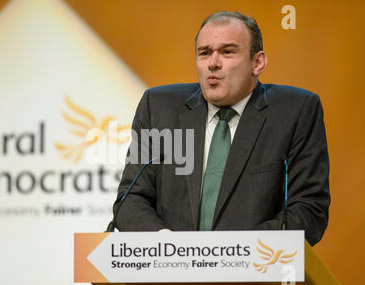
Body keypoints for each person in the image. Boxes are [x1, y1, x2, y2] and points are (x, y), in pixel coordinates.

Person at [112, 11, 330, 246]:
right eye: (204, 53)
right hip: (168, 275)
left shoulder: (294, 112)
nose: (213, 63)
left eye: (227, 52)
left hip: (255, 275)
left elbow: (309, 209)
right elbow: (130, 199)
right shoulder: (158, 108)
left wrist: (230, 253)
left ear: (257, 63)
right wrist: (169, 248)